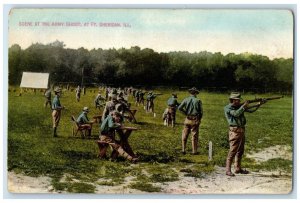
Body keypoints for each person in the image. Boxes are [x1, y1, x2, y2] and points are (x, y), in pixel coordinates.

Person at [224, 92, 262, 176]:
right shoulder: (228, 108)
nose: (238, 101)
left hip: (241, 130)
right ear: (232, 100)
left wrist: (259, 104)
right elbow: (236, 114)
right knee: (233, 151)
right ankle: (227, 170)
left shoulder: (239, 107)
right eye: (236, 100)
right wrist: (243, 106)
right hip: (234, 131)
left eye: (238, 100)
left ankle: (238, 168)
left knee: (240, 151)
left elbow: (251, 110)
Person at [178, 87, 203, 155]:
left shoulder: (186, 99)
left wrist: (185, 113)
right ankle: (194, 151)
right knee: (194, 135)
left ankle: (183, 149)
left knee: (184, 134)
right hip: (195, 119)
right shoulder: (198, 100)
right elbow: (201, 112)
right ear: (195, 93)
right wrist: (199, 119)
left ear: (190, 93)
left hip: (187, 118)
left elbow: (179, 108)